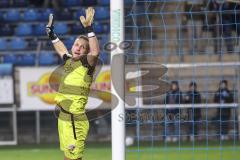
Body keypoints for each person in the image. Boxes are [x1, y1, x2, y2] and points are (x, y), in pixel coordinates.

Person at [46, 7, 100, 160]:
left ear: (86, 52)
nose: (79, 48)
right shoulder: (69, 60)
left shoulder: (87, 64)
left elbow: (95, 52)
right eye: (77, 45)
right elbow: (61, 49)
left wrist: (89, 28)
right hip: (64, 118)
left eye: (83, 47)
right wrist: (52, 34)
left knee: (74, 159)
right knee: (68, 157)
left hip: (74, 120)